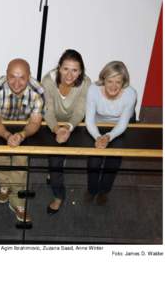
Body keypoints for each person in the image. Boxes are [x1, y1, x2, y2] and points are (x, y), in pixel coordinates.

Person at [0, 58, 44, 222]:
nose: (17, 82)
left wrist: (21, 135)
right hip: (0, 126)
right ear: (6, 75)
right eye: (12, 76)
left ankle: (18, 203)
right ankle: (4, 186)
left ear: (29, 76)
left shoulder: (38, 90)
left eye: (22, 77)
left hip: (26, 128)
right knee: (0, 159)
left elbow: (34, 122)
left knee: (21, 165)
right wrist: (6, 135)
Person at [41, 49, 91, 214]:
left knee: (56, 163)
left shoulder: (86, 83)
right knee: (55, 162)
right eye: (65, 69)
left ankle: (57, 193)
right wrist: (56, 129)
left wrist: (68, 128)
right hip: (51, 123)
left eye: (75, 70)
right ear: (59, 68)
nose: (69, 75)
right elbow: (47, 110)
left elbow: (80, 111)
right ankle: (58, 191)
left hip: (74, 124)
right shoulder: (48, 81)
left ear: (81, 71)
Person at [85, 61, 137, 205]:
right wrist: (98, 137)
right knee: (94, 161)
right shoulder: (93, 90)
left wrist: (108, 137)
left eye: (118, 82)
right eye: (110, 81)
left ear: (124, 82)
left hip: (120, 126)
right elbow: (89, 120)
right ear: (103, 80)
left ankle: (104, 191)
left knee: (113, 160)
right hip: (97, 124)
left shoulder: (130, 94)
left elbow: (122, 124)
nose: (114, 86)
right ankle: (92, 190)